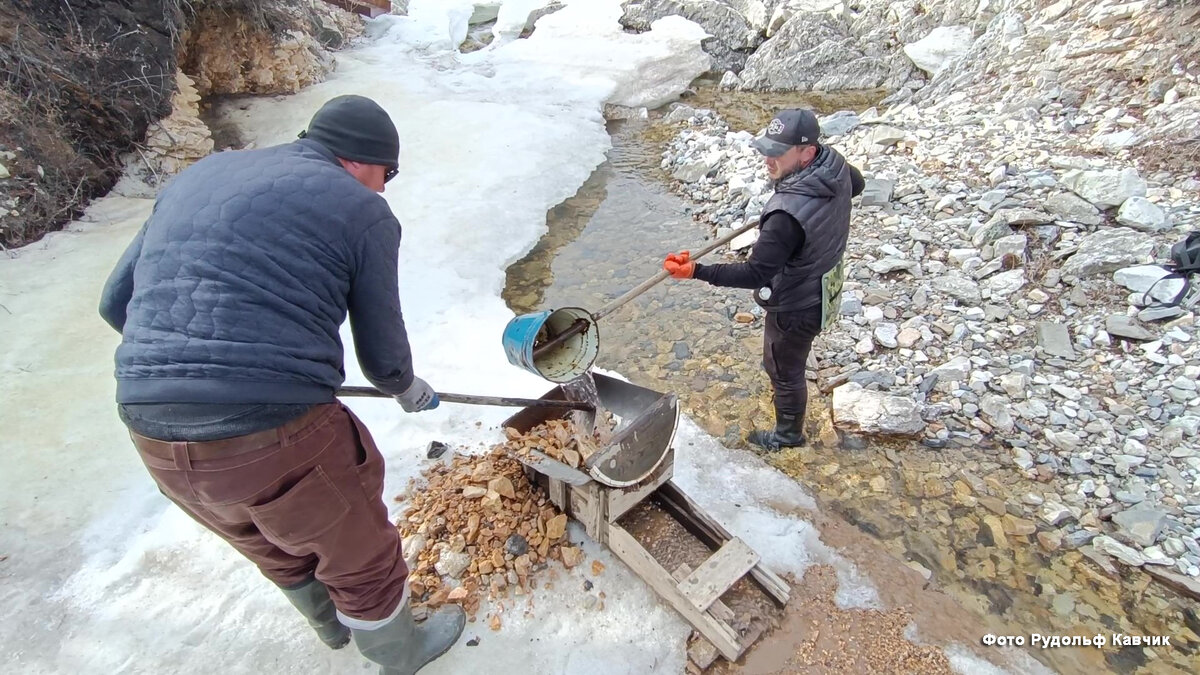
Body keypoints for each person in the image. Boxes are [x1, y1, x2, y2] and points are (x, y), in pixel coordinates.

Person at [98, 95, 463, 674]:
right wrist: (407, 388)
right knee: (355, 545)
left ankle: (330, 629)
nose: (385, 189)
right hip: (270, 425)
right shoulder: (361, 211)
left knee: (262, 534)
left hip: (148, 424)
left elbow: (115, 305)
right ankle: (399, 652)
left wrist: (186, 363)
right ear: (361, 160)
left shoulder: (205, 172)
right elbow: (383, 359)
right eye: (387, 173)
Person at [663, 108, 864, 451]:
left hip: (797, 303)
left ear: (807, 152)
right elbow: (856, 186)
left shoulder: (785, 216)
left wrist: (696, 271)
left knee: (783, 369)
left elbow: (755, 273)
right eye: (766, 149)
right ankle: (789, 421)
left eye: (777, 152)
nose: (767, 160)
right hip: (825, 284)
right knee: (792, 360)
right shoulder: (836, 166)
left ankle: (788, 436)